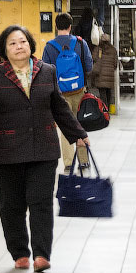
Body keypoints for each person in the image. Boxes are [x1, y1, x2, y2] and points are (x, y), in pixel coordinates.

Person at [0, 25, 89, 273]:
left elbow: (58, 107)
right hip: (6, 152)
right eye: (12, 43)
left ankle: (41, 254)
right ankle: (20, 252)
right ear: (5, 49)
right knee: (11, 205)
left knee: (41, 202)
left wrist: (77, 134)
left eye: (23, 41)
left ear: (30, 45)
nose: (19, 46)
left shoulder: (47, 71)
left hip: (42, 149)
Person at [42, 13, 93, 174]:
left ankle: (69, 163)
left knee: (65, 128)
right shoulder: (80, 43)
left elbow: (45, 71)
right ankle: (84, 162)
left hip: (59, 95)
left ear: (56, 26)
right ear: (70, 27)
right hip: (79, 90)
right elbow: (89, 66)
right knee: (80, 125)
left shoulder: (49, 46)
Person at [91, 33, 119, 109]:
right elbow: (115, 64)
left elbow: (94, 59)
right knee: (108, 93)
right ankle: (108, 109)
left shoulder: (98, 49)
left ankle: (104, 110)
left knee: (102, 94)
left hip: (100, 76)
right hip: (110, 76)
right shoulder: (113, 49)